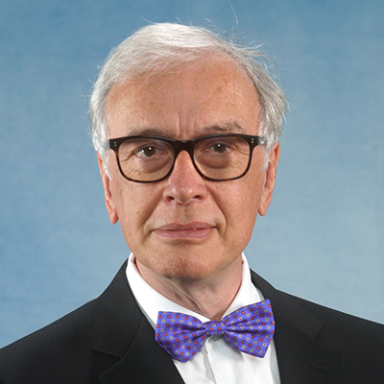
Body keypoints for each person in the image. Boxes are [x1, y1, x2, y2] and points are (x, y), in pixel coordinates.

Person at [0, 23, 383, 384]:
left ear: (267, 177)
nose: (183, 189)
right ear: (108, 183)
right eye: (148, 150)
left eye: (219, 147)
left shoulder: (373, 356)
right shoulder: (21, 374)